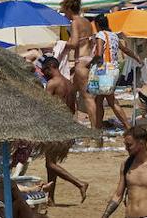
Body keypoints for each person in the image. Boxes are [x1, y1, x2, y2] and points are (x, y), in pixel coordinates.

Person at [39, 56, 89, 205]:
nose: (43, 74)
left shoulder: (52, 83)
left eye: (44, 71)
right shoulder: (69, 84)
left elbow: (44, 107)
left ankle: (80, 183)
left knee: (50, 164)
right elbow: (73, 108)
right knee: (51, 163)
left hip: (55, 126)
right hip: (67, 125)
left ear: (50, 68)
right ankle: (51, 199)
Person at [100, 125, 147, 218]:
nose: (126, 148)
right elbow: (117, 196)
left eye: (129, 145)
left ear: (141, 143)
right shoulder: (126, 164)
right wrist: (105, 215)